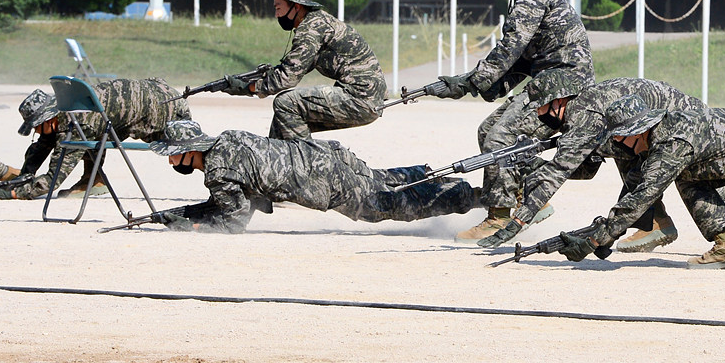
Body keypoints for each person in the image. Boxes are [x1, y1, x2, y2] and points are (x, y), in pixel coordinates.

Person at [477, 71, 725, 260]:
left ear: (557, 103)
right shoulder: (587, 114)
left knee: (671, 184)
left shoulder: (586, 116)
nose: (538, 116)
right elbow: (587, 166)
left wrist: (515, 222)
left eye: (540, 109)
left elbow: (562, 171)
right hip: (651, 137)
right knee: (688, 198)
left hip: (683, 136)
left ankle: (658, 223)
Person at [548, 95, 725, 269]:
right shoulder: (659, 136)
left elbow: (642, 198)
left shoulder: (672, 145)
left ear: (638, 131)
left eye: (620, 137)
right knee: (687, 179)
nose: (618, 145)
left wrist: (596, 239)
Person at [433, 0, 594, 243]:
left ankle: (499, 216)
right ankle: (531, 198)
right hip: (549, 80)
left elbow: (510, 48)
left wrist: (470, 81)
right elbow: (521, 61)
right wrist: (479, 84)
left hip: (563, 84)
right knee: (487, 129)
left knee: (500, 137)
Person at [148, 120, 483, 234]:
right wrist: (175, 214)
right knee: (380, 180)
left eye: (173, 154)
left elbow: (232, 221)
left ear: (190, 150)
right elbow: (229, 203)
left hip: (324, 181)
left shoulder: (219, 173)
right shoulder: (227, 141)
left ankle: (474, 196)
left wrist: (186, 226)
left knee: (388, 205)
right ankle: (424, 175)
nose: (171, 161)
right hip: (326, 155)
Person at [225, 0, 386, 140]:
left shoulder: (310, 30)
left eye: (278, 8)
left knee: (286, 103)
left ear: (296, 6)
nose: (276, 15)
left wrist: (248, 87)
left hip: (361, 99)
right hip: (367, 98)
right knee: (282, 118)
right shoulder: (317, 21)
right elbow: (295, 66)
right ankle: (275, 160)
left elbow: (288, 78)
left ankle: (305, 160)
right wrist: (265, 77)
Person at [0, 79, 191, 201]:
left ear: (48, 118)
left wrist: (12, 194)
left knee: (187, 157)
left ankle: (217, 178)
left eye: (36, 125)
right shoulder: (66, 107)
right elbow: (43, 144)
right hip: (159, 92)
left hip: (166, 110)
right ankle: (94, 180)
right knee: (99, 130)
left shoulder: (77, 124)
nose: (36, 131)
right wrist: (25, 175)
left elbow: (53, 179)